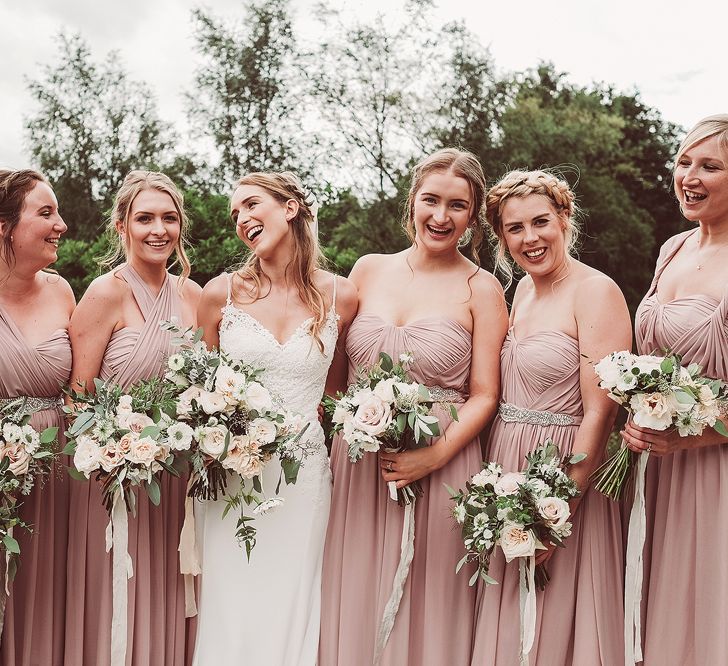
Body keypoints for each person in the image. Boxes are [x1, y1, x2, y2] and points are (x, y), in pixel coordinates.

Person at [319, 148, 508, 666]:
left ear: (474, 217)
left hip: (442, 463)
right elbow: (334, 381)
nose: (440, 217)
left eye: (457, 206)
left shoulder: (482, 288)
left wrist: (436, 455)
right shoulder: (367, 270)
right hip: (358, 465)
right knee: (352, 585)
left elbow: (485, 394)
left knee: (430, 601)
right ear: (412, 202)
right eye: (431, 201)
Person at [192, 171, 357, 666]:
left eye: (251, 205)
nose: (242, 219)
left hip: (305, 478)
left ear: (290, 208)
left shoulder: (341, 297)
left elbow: (336, 390)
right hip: (234, 482)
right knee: (233, 599)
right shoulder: (219, 293)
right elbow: (201, 390)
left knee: (296, 596)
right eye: (235, 214)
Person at [470, 169, 631, 665]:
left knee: (558, 613)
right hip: (508, 467)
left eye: (541, 222)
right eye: (514, 229)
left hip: (563, 471)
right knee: (513, 612)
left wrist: (557, 511)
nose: (530, 238)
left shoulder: (596, 292)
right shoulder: (520, 292)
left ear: (565, 218)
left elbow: (601, 413)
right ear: (502, 238)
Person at [65, 170, 202, 666]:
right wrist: (113, 454)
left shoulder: (193, 296)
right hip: (114, 480)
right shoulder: (105, 293)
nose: (157, 229)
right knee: (118, 598)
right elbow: (77, 399)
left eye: (169, 218)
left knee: (169, 592)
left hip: (177, 480)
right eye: (144, 218)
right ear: (121, 226)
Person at [621, 114, 728, 665]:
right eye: (684, 161)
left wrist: (693, 438)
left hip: (712, 469)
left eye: (710, 166)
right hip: (655, 464)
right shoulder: (673, 249)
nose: (691, 175)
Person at [0, 169, 74, 666]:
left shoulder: (63, 291)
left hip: (58, 474)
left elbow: (83, 388)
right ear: (4, 226)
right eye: (45, 213)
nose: (61, 224)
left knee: (48, 591)